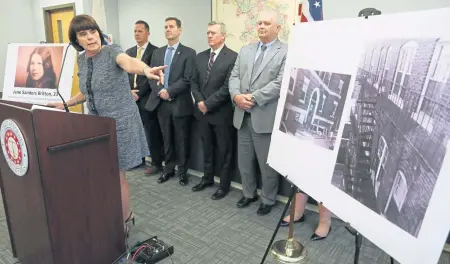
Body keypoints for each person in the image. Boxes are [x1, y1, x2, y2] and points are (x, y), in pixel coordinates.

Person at [47, 14, 166, 232]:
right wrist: (67, 103)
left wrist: (146, 70)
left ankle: (125, 220)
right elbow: (87, 91)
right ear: (76, 40)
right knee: (103, 173)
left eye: (93, 31)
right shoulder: (82, 59)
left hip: (120, 123)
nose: (91, 37)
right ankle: (112, 212)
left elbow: (129, 63)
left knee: (117, 174)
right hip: (96, 124)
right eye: (83, 34)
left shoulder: (113, 51)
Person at [229, 11, 287, 216]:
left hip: (264, 115)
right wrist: (236, 96)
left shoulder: (285, 52)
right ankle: (248, 193)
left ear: (278, 28)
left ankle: (269, 199)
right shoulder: (245, 50)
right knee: (244, 161)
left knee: (266, 164)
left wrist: (252, 97)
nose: (261, 26)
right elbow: (234, 76)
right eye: (259, 22)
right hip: (242, 115)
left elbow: (280, 83)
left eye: (267, 23)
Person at [145, 17, 196, 186]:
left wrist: (169, 91)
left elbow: (187, 79)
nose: (168, 29)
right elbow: (152, 77)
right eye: (166, 27)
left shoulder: (189, 52)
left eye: (171, 27)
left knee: (181, 139)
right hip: (162, 104)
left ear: (179, 30)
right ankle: (168, 170)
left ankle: (182, 172)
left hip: (179, 103)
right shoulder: (157, 53)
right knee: (166, 139)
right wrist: (160, 91)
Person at [190, 21, 237, 200]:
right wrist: (200, 101)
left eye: (213, 33)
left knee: (225, 151)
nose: (209, 35)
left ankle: (223, 185)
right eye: (208, 32)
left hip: (221, 114)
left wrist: (208, 104)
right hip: (202, 113)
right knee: (206, 148)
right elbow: (193, 82)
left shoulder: (233, 57)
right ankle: (207, 178)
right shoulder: (200, 57)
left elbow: (227, 87)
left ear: (223, 36)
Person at [125, 20, 164, 174]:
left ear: (148, 33)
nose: (136, 34)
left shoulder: (155, 52)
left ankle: (156, 163)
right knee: (135, 130)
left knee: (151, 131)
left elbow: (152, 76)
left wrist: (139, 93)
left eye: (140, 31)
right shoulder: (128, 52)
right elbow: (124, 75)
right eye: (135, 31)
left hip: (148, 98)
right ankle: (138, 159)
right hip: (131, 97)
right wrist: (129, 92)